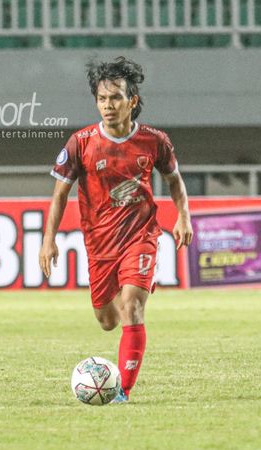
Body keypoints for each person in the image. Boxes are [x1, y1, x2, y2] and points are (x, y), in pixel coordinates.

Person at [39, 56, 192, 403]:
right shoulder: (81, 143)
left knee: (132, 307)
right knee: (107, 320)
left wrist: (184, 216)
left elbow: (175, 181)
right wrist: (48, 241)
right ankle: (130, 290)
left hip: (141, 235)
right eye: (102, 99)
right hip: (99, 243)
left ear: (132, 101)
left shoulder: (154, 141)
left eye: (116, 98)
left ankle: (122, 391)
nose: (108, 106)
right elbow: (60, 194)